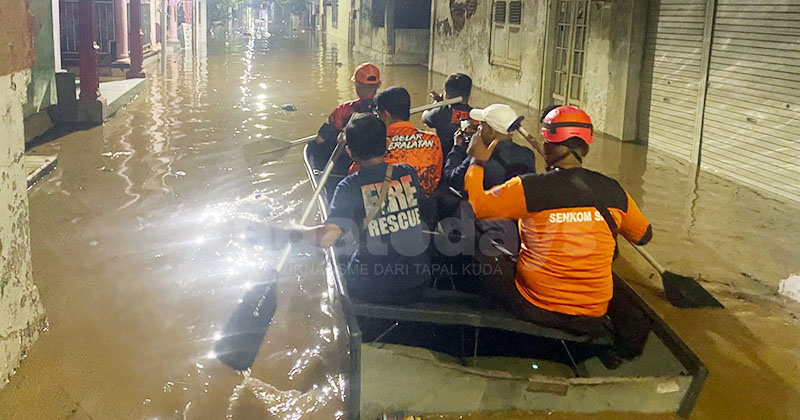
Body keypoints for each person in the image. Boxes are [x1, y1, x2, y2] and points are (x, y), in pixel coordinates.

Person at [463, 105, 653, 337]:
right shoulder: (614, 191)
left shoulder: (528, 187)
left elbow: (478, 207)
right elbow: (644, 236)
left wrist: (477, 162)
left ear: (546, 145)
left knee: (484, 250)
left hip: (536, 307)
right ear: (586, 148)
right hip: (592, 313)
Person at [273, 113, 429, 304]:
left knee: (334, 256)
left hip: (374, 288)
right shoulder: (409, 172)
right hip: (418, 280)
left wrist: (293, 231)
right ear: (387, 143)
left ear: (349, 153)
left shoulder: (349, 187)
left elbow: (327, 238)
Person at [441, 103, 536, 192]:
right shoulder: (527, 154)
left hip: (485, 207)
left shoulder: (481, 157)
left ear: (491, 132)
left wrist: (457, 147)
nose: (478, 129)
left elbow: (450, 178)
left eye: (481, 125)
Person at [309, 63, 381, 172]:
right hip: (379, 160)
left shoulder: (344, 110)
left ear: (356, 84)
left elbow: (321, 139)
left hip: (348, 163)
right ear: (379, 85)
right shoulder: (386, 109)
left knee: (315, 147)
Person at [372, 87, 443, 198]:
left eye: (377, 114)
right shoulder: (432, 140)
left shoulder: (377, 144)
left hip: (392, 207)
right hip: (428, 206)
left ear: (385, 115)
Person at [422, 73, 473, 157]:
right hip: (467, 162)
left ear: (447, 95)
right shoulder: (475, 115)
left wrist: (437, 103)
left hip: (445, 161)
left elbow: (424, 118)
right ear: (468, 94)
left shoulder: (440, 112)